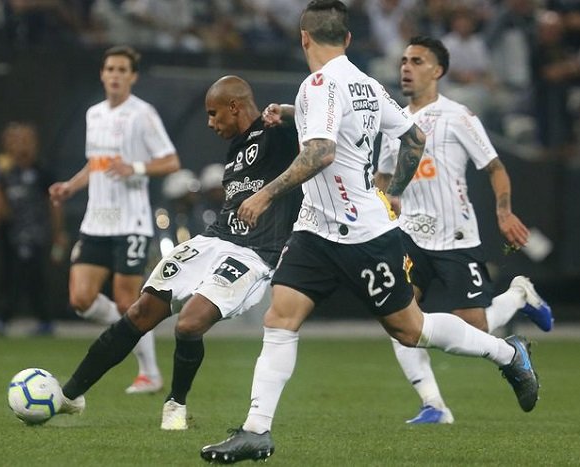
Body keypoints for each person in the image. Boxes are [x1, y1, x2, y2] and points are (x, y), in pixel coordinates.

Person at [200, 2, 539, 463]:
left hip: (362, 234)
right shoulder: (364, 83)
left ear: (304, 38)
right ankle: (256, 431)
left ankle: (508, 354)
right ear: (347, 38)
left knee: (411, 330)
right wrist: (392, 190)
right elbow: (414, 137)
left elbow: (321, 152)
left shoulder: (318, 84)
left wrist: (265, 195)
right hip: (316, 229)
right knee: (280, 318)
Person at [56, 75, 303, 430]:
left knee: (189, 324)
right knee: (140, 311)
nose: (210, 123)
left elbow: (316, 122)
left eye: (213, 113)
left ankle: (175, 405)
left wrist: (287, 111)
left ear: (235, 106)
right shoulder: (236, 147)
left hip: (253, 253)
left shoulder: (278, 131)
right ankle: (69, 396)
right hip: (213, 241)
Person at [373, 35, 553, 425]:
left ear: (437, 70)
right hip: (408, 236)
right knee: (398, 316)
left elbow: (495, 167)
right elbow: (384, 177)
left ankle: (518, 295)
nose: (406, 67)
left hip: (455, 236)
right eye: (404, 61)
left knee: (476, 326)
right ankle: (434, 405)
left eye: (417, 61)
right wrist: (380, 203)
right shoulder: (393, 122)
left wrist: (504, 213)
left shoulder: (457, 116)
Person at [49, 45, 181, 394]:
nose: (115, 75)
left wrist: (134, 167)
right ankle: (122, 328)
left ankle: (149, 373)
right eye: (110, 69)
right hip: (96, 221)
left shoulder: (143, 114)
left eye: (123, 70)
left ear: (132, 77)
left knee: (127, 302)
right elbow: (96, 163)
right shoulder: (93, 114)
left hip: (130, 222)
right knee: (81, 299)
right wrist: (71, 186)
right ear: (102, 74)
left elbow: (171, 161)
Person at [0, 122, 67, 336]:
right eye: (16, 140)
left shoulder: (43, 170)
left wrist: (59, 233)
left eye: (26, 140)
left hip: (34, 233)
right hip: (11, 232)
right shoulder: (5, 170)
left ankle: (7, 317)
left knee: (26, 274)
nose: (21, 145)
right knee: (15, 274)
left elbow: (55, 205)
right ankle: (39, 320)